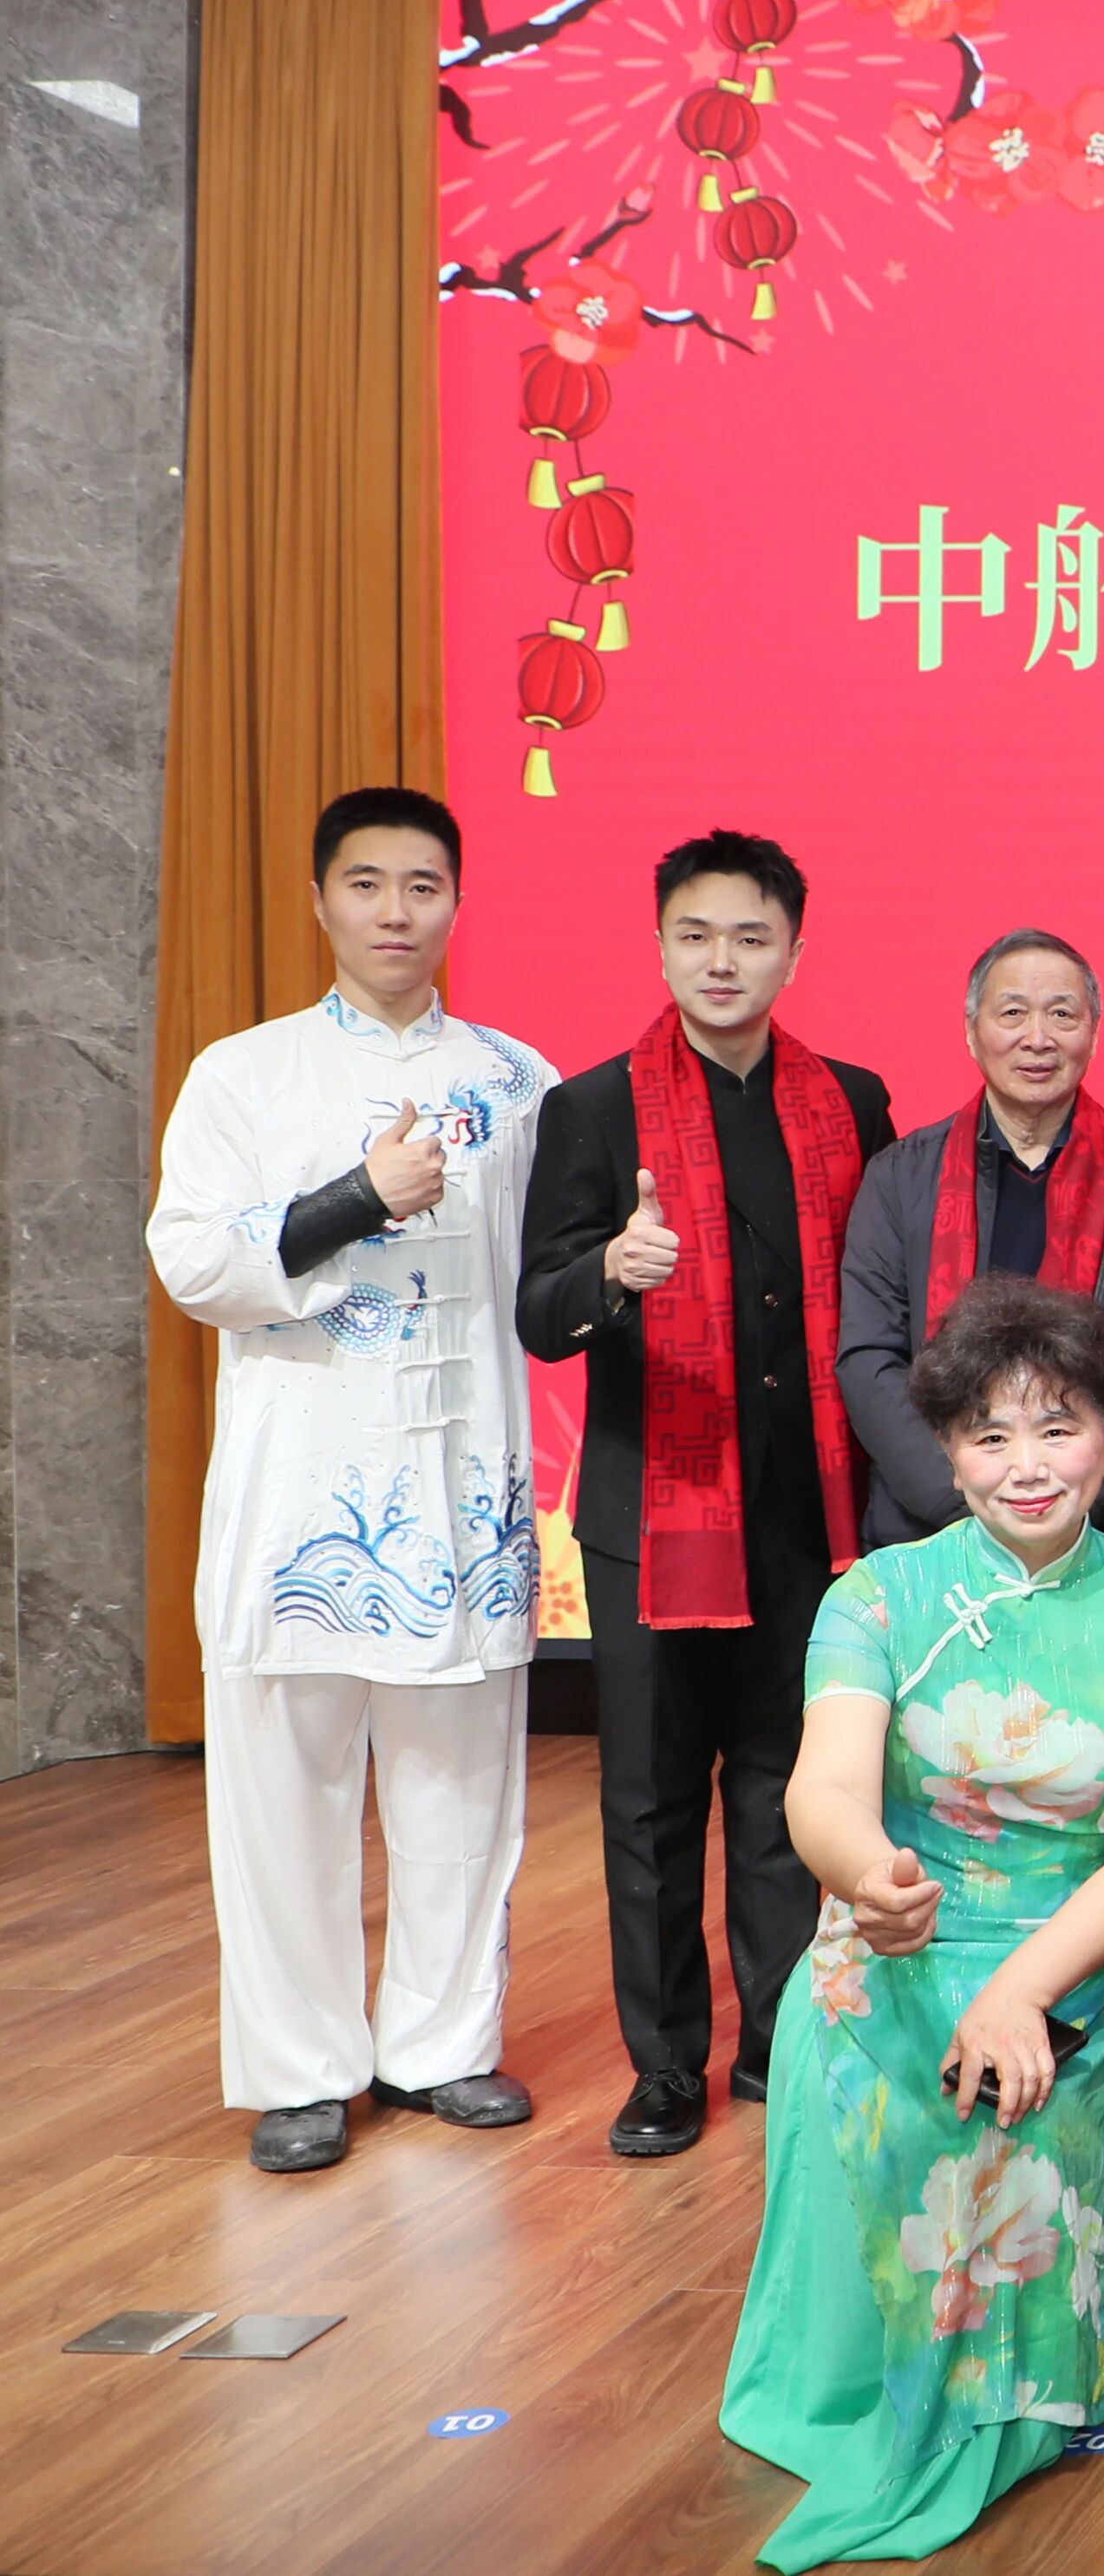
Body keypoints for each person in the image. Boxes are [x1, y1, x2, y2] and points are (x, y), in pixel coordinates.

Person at [716, 1278, 1104, 2571]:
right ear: (947, 1451)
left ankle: (989, 2399)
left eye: (1059, 1427)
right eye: (990, 1435)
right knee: (892, 2078)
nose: (1028, 1465)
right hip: (904, 1924)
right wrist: (869, 1875)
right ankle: (880, 2374)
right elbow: (823, 1788)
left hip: (1084, 1950)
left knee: (1013, 2113)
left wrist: (1020, 1988)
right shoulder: (877, 1596)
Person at [147, 787, 556, 2173]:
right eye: (367, 883)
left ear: (458, 902)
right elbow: (195, 1261)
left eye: (423, 885)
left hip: (464, 1480)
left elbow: (550, 1269)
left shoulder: (518, 1081)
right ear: (320, 898)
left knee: (461, 1788)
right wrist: (355, 1199)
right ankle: (300, 2066)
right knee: (285, 1791)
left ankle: (443, 2042)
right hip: (302, 1495)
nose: (395, 910)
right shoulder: (243, 1074)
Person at [523, 829, 898, 2160]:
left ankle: (784, 2038)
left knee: (791, 1788)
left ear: (794, 948)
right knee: (651, 1799)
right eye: (695, 934)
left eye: (750, 935)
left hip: (807, 1510)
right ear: (660, 945)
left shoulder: (851, 1100)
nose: (721, 960)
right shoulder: (592, 1109)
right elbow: (540, 1311)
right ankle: (666, 2062)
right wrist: (610, 1272)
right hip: (656, 1518)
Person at [838, 929, 1104, 1553]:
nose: (1038, 1037)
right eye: (1013, 1013)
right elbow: (869, 1358)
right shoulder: (899, 1178)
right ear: (972, 1033)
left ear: (1094, 1033)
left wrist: (1071, 1494)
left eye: (1062, 1015)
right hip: (929, 1534)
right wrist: (968, 1495)